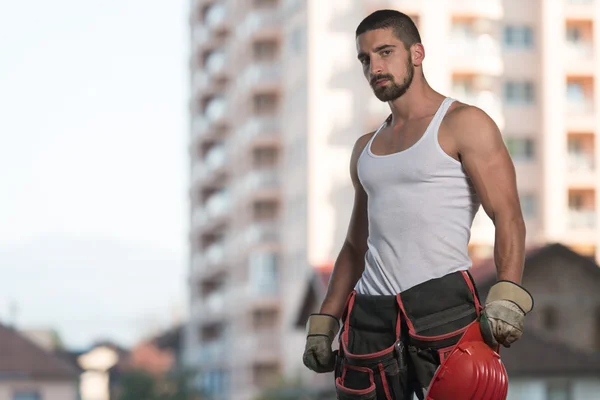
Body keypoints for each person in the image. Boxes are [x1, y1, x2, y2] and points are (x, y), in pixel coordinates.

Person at [302, 9, 534, 400]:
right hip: (369, 322)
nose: (375, 66)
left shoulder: (464, 123)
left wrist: (509, 292)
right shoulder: (365, 148)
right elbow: (356, 247)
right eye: (365, 58)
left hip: (444, 311)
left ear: (417, 53)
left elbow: (507, 214)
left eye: (385, 52)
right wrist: (325, 319)